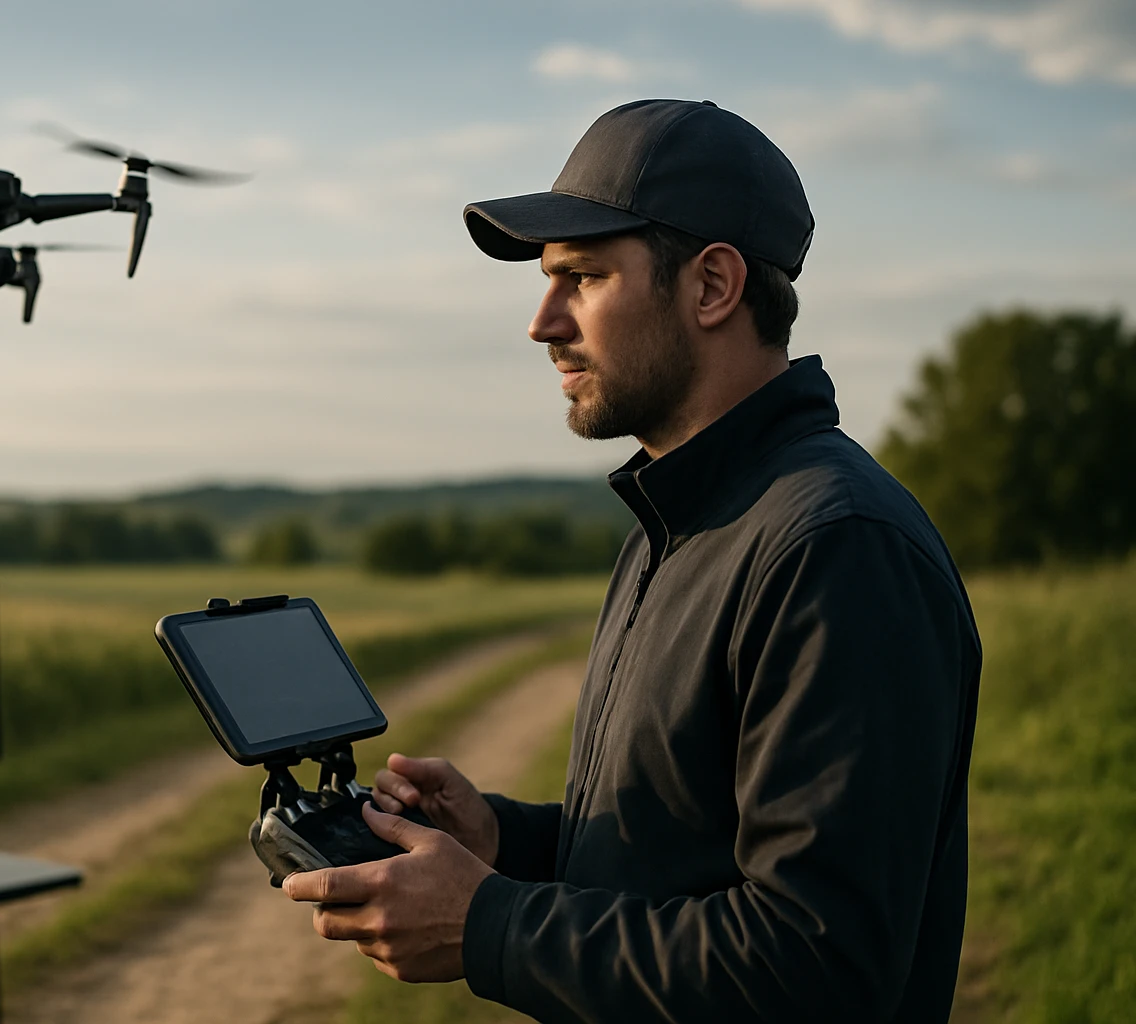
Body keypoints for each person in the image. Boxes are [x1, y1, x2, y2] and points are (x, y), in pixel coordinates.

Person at [282, 98, 982, 1022]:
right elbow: (680, 852)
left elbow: (818, 968)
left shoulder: (835, 548)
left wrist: (489, 924)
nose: (542, 323)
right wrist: (505, 844)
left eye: (582, 277)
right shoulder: (676, 519)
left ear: (712, 286)